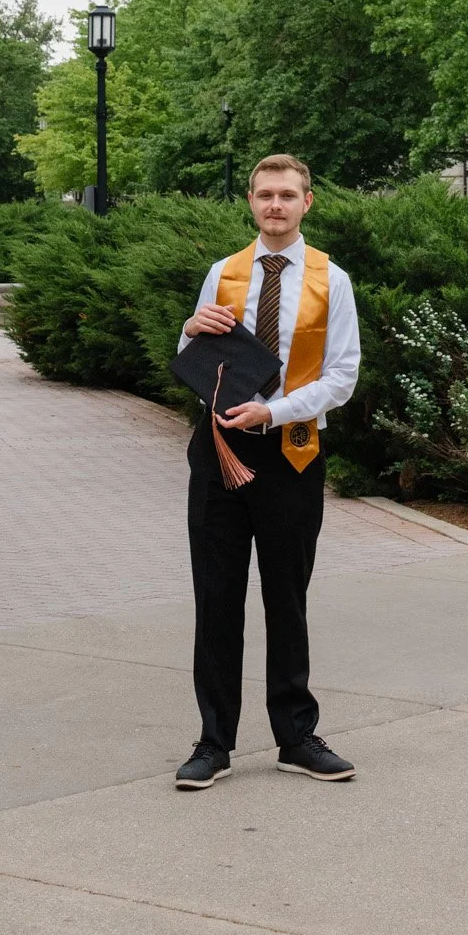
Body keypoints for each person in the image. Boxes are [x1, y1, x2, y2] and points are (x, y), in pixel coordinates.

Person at [175, 152, 361, 791]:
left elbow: (342, 375)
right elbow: (194, 355)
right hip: (222, 450)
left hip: (291, 453)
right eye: (264, 195)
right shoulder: (222, 273)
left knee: (287, 595)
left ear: (308, 202)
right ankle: (213, 742)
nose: (274, 205)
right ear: (251, 202)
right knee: (217, 596)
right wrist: (189, 329)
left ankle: (297, 736)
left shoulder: (330, 280)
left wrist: (274, 411)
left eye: (287, 194)